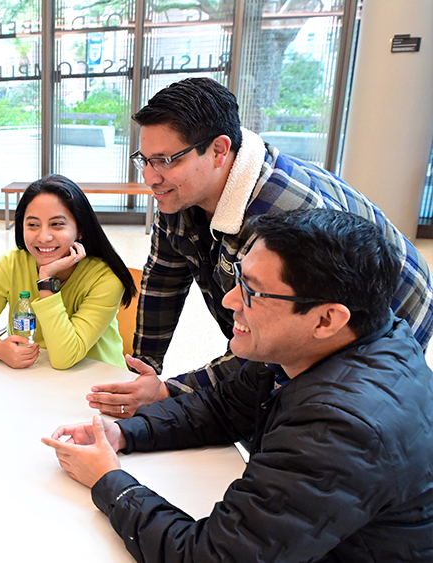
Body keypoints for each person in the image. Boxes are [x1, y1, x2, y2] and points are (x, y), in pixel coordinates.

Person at [43, 209, 433, 562]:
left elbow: (211, 557)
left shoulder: (340, 428)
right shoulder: (328, 345)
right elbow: (221, 407)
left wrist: (110, 482)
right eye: (238, 280)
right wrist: (124, 433)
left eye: (253, 291)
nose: (230, 301)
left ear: (326, 319)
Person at [89, 77, 433, 417]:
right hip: (299, 313)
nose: (150, 176)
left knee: (321, 415)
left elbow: (273, 334)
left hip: (394, 304)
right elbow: (164, 277)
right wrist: (142, 369)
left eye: (166, 160)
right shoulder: (178, 192)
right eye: (145, 159)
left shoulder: (282, 217)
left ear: (220, 150)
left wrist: (170, 391)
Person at [0, 174, 136, 370]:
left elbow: (65, 358)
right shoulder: (12, 263)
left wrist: (46, 282)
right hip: (30, 379)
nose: (43, 237)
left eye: (57, 224)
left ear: (80, 229)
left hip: (97, 385)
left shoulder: (106, 278)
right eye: (33, 225)